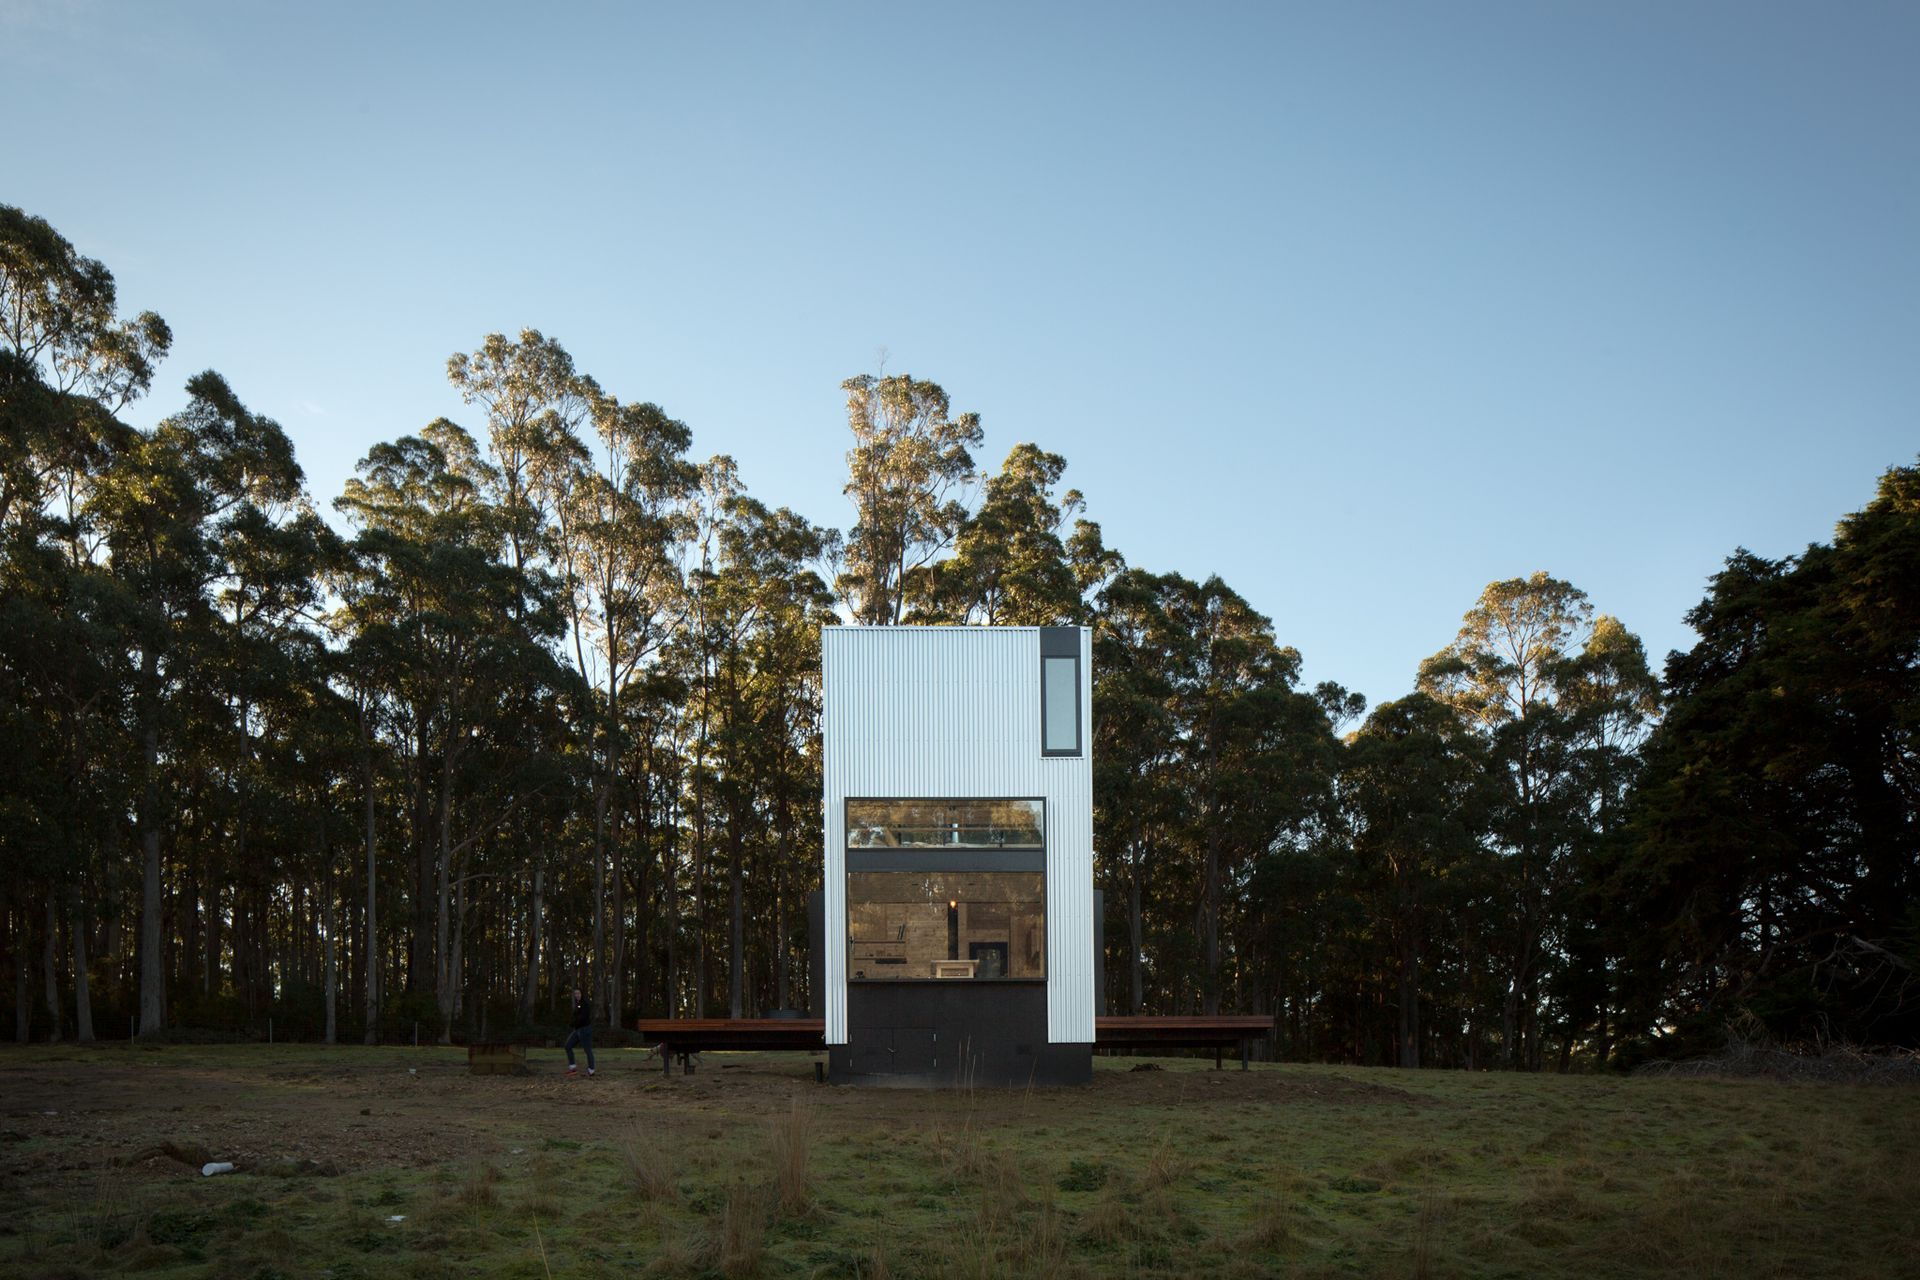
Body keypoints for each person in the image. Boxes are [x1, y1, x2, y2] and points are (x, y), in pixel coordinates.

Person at [564, 987, 595, 1077]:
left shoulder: (585, 1004)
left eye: (578, 993)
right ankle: (573, 1068)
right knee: (568, 1046)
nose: (577, 995)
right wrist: (572, 1023)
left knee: (587, 1050)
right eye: (575, 994)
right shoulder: (578, 1003)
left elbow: (583, 1018)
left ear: (582, 994)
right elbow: (576, 1016)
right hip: (577, 1030)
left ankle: (591, 1070)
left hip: (585, 1030)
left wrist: (573, 1023)